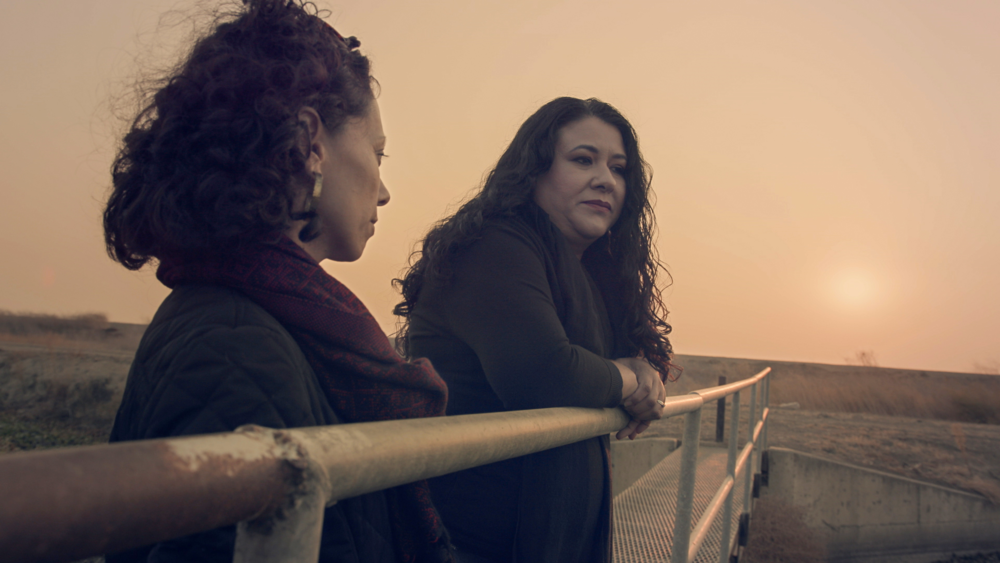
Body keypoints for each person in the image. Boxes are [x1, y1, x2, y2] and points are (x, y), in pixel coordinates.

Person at [103, 1, 454, 561]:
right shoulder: (235, 346)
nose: (384, 190)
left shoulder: (261, 317)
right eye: (378, 153)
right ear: (312, 144)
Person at [393, 97, 674, 563]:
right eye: (583, 160)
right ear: (534, 168)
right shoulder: (494, 245)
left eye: (619, 168)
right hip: (472, 544)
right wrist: (626, 376)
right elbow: (541, 372)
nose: (606, 179)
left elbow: (618, 365)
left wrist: (643, 370)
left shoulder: (587, 270)